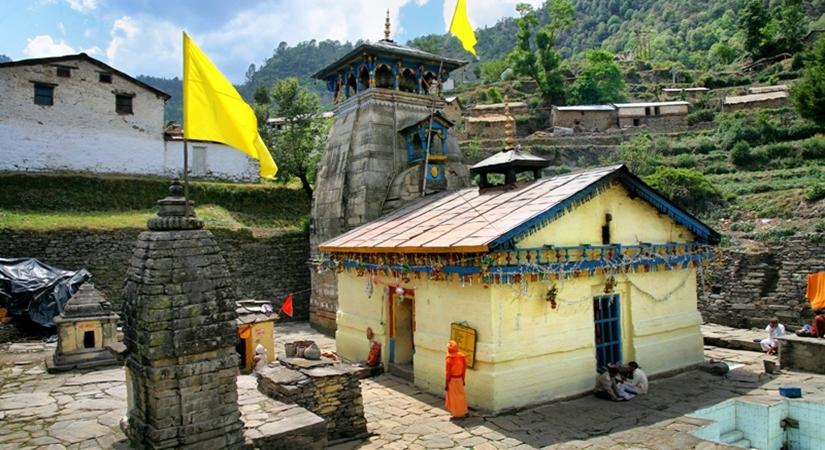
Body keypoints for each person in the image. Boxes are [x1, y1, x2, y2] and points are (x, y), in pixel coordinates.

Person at [445, 340, 468, 419]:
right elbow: (464, 369)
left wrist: (446, 383)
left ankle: (457, 414)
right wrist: (463, 379)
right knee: (461, 395)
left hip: (452, 380)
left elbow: (448, 372)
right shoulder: (462, 356)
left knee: (455, 397)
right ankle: (464, 411)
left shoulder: (449, 359)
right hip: (460, 378)